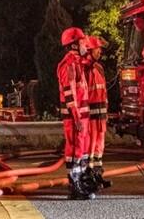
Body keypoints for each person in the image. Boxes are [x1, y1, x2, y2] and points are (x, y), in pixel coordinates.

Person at [57, 27, 93, 200]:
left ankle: (82, 182)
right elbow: (69, 93)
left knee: (82, 149)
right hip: (74, 118)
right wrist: (77, 116)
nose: (85, 44)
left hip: (82, 117)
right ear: (74, 45)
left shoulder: (77, 63)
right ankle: (74, 183)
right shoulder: (69, 64)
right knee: (74, 149)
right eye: (82, 41)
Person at [83, 35, 112, 191]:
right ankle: (88, 174)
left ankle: (98, 173)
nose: (100, 52)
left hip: (101, 114)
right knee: (90, 144)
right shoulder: (84, 68)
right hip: (90, 115)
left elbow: (104, 91)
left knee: (99, 145)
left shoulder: (99, 68)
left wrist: (106, 111)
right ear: (89, 50)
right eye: (97, 49)